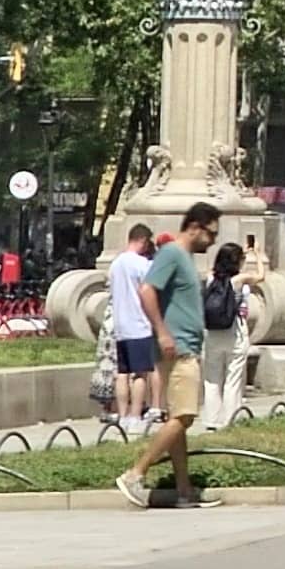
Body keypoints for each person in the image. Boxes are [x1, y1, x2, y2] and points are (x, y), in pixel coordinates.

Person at [115, 205, 218, 510]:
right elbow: (147, 290)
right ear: (195, 227)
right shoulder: (172, 253)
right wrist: (162, 332)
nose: (212, 240)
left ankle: (184, 489)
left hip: (183, 345)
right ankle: (136, 473)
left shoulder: (182, 258)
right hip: (177, 347)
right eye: (210, 232)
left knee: (178, 420)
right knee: (184, 416)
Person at [103, 222, 158, 422]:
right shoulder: (142, 264)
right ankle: (135, 414)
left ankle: (122, 413)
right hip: (139, 324)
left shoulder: (116, 264)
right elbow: (150, 291)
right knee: (141, 374)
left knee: (122, 373)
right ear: (143, 241)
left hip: (120, 325)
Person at [199, 241, 255, 431]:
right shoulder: (239, 281)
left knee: (212, 379)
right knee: (233, 379)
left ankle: (211, 419)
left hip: (212, 332)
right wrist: (256, 254)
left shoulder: (209, 278)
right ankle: (231, 418)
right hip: (235, 331)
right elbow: (262, 276)